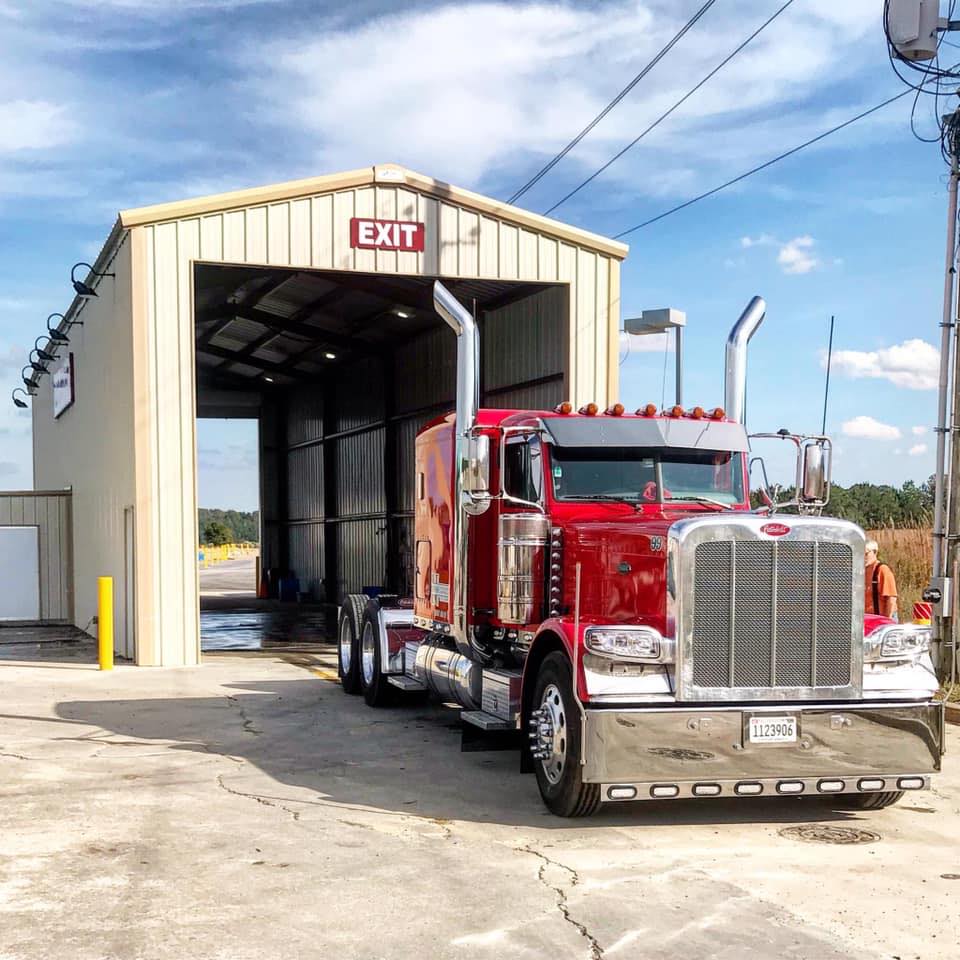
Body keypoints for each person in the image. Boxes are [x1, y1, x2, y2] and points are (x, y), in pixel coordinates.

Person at [864, 539, 898, 620]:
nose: (863, 557)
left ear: (875, 552)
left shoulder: (882, 570)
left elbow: (891, 599)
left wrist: (886, 622)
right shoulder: (861, 571)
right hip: (867, 619)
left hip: (882, 619)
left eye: (866, 554)